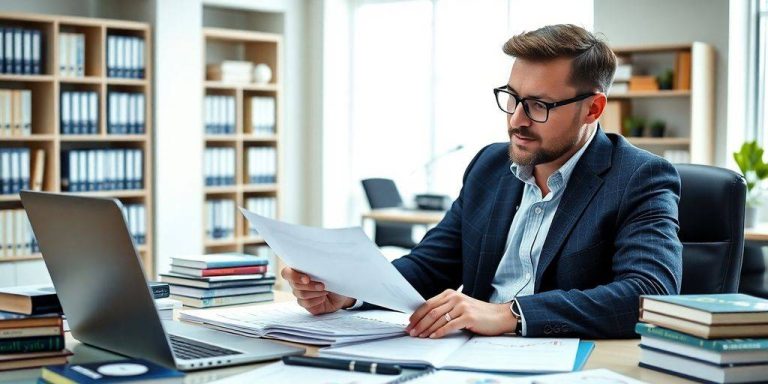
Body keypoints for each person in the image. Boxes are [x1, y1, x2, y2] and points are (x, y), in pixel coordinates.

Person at [282, 24, 683, 339]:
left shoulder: (638, 177)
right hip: (466, 356)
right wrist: (351, 293)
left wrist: (509, 314)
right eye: (512, 97)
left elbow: (650, 293)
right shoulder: (490, 165)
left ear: (592, 108)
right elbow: (431, 264)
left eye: (539, 105)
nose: (516, 120)